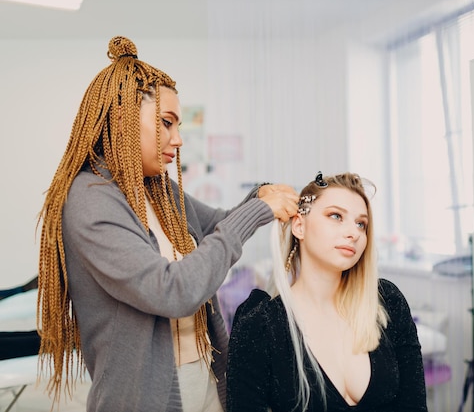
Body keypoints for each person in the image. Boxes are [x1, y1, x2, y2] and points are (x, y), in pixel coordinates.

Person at [36, 35, 299, 412]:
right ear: (124, 121)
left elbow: (217, 228)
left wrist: (262, 196)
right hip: (143, 398)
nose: (178, 140)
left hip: (204, 378)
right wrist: (257, 210)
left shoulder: (157, 189)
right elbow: (172, 291)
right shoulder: (90, 199)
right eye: (167, 122)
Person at [227, 172, 428, 412]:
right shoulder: (259, 325)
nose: (353, 233)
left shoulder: (386, 302)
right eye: (336, 216)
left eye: (361, 223)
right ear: (299, 227)